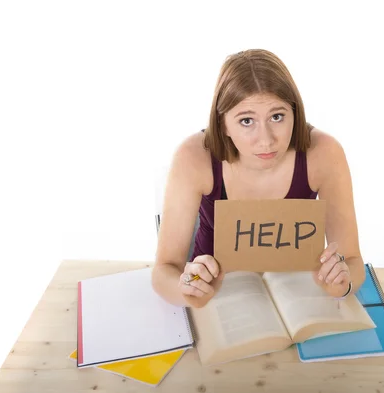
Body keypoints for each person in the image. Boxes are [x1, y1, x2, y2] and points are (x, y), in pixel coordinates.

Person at [152, 49, 365, 308]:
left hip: (297, 299)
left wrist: (343, 283)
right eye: (246, 121)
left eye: (277, 117)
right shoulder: (193, 156)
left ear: (295, 113)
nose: (266, 140)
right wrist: (188, 290)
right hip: (219, 300)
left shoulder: (324, 153)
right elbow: (164, 271)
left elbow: (352, 260)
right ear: (223, 125)